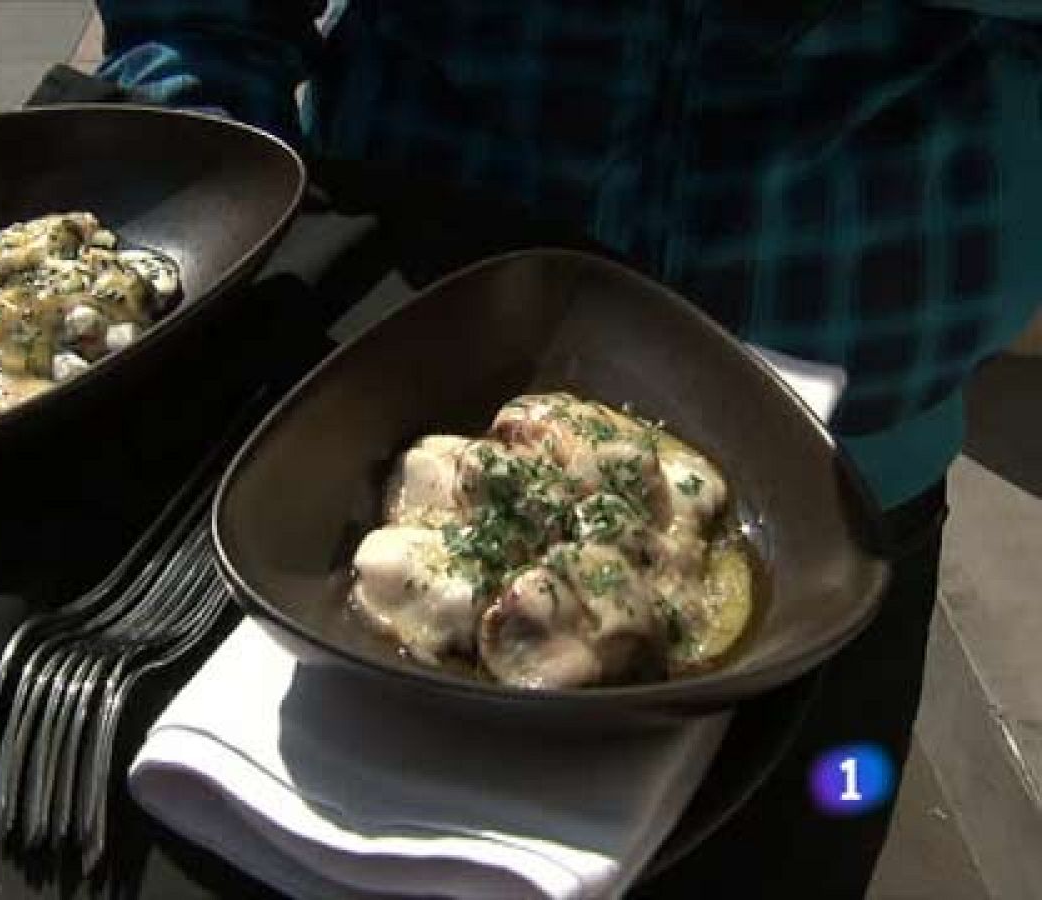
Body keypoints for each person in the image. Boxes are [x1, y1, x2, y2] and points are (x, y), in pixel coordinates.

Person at [92, 1, 1042, 896]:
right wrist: (199, 212)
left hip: (846, 494)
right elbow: (198, 22)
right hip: (373, 444)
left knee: (800, 857)